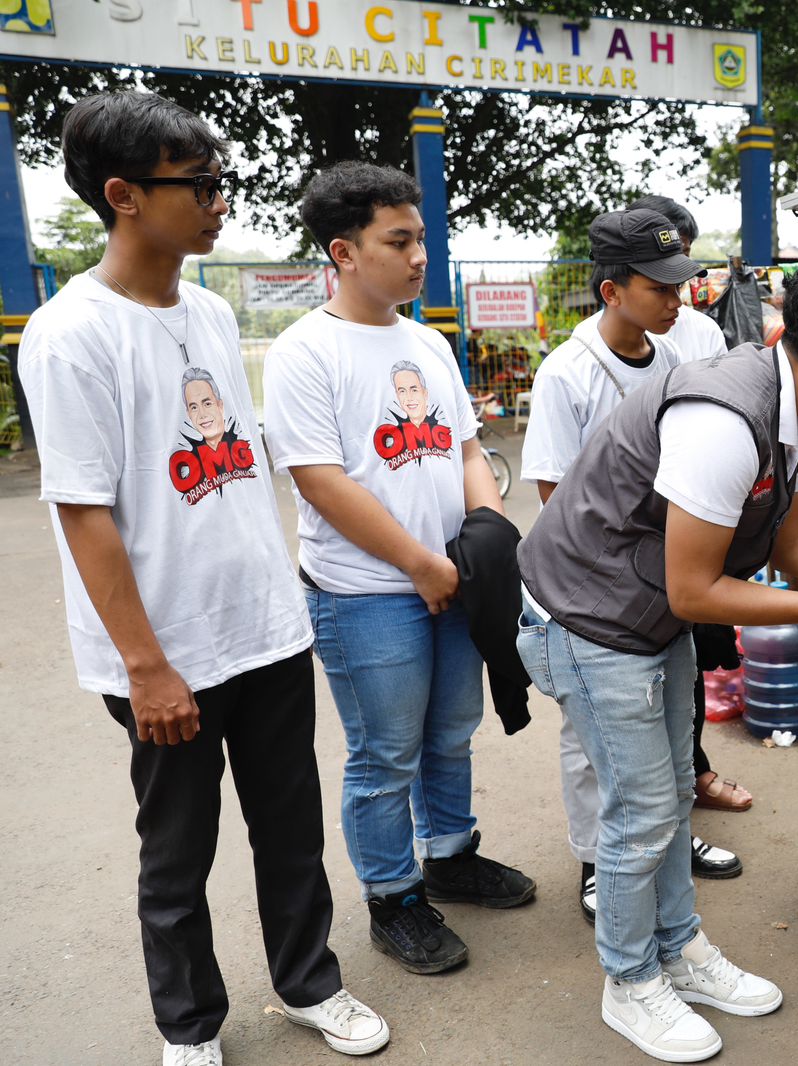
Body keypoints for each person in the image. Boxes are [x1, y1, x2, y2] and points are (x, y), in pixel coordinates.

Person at [18, 91, 386, 1066]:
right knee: (178, 851)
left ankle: (309, 983)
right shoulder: (71, 333)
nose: (221, 201)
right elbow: (85, 513)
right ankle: (188, 1027)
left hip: (265, 628)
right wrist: (146, 668)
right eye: (201, 184)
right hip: (166, 653)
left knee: (290, 828)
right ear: (124, 195)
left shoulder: (214, 311)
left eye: (223, 183)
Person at [516, 254, 798, 1062]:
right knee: (639, 813)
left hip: (643, 613)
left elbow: (792, 549)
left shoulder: (794, 410)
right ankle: (630, 981)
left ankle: (679, 949)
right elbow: (696, 590)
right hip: (590, 619)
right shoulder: (725, 421)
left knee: (670, 793)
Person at [264, 161, 535, 979]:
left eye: (421, 238)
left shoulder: (427, 343)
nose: (420, 256)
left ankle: (449, 855)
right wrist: (419, 563)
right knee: (385, 753)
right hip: (366, 595)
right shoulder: (304, 351)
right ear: (344, 252)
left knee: (451, 731)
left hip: (451, 581)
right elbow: (320, 481)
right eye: (399, 241)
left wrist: (487, 530)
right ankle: (394, 898)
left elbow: (464, 450)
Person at [520, 204, 743, 930]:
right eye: (661, 288)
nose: (678, 300)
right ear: (612, 291)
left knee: (673, 725)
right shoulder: (567, 374)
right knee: (595, 739)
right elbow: (556, 499)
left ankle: (670, 843)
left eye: (680, 285)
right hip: (590, 590)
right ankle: (597, 862)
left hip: (660, 578)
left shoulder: (673, 358)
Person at [626, 194, 757, 819]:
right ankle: (644, 819)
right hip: (627, 554)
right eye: (661, 280)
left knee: (690, 669)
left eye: (682, 270)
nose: (675, 293)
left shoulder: (697, 335)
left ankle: (692, 778)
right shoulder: (582, 359)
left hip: (690, 531)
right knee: (631, 696)